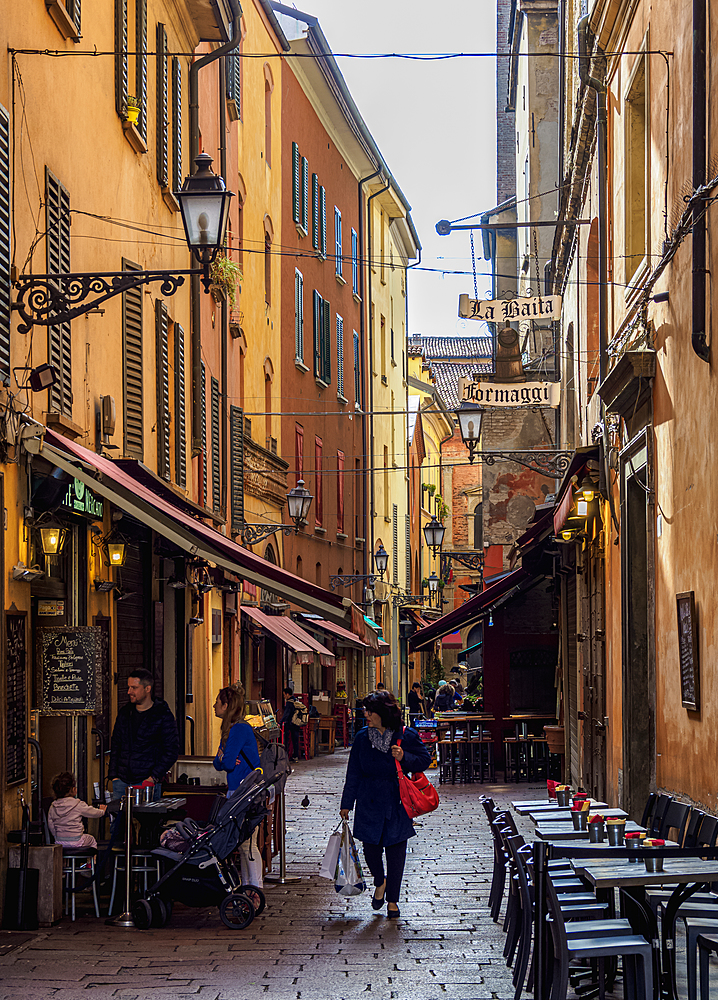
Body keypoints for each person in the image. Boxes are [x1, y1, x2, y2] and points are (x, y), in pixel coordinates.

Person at [340, 690, 431, 918]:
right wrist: (346, 804)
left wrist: (404, 758)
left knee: (396, 851)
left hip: (396, 799)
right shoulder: (362, 738)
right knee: (370, 850)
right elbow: (354, 773)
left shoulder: (405, 735)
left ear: (382, 713)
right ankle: (380, 881)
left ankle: (393, 900)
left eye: (369, 711)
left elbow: (425, 759)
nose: (366, 714)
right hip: (368, 799)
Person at [212, 684, 263, 888]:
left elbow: (226, 762)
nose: (214, 705)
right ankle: (249, 887)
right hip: (239, 791)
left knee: (248, 844)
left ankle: (255, 888)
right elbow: (218, 763)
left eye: (217, 702)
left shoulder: (239, 729)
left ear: (226, 705)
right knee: (243, 844)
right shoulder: (231, 730)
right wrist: (226, 760)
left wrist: (226, 760)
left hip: (245, 793)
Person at [108, 669, 179, 804]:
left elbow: (172, 750)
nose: (129, 692)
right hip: (122, 781)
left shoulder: (163, 715)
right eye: (128, 687)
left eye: (134, 688)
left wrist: (154, 777)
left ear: (147, 689)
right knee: (119, 823)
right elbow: (116, 744)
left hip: (146, 782)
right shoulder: (125, 713)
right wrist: (114, 776)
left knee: (147, 822)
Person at [48, 771, 106, 849]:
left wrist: (56, 836)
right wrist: (101, 811)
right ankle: (91, 861)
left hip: (59, 841)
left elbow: (51, 824)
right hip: (77, 840)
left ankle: (65, 861)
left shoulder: (53, 806)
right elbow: (92, 812)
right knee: (92, 840)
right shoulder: (77, 804)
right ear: (73, 789)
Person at [280, 686, 301, 762]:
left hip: (291, 723)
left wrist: (280, 722)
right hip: (297, 723)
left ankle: (287, 755)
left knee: (287, 739)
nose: (284, 696)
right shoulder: (296, 700)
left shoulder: (289, 703)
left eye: (284, 695)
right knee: (295, 740)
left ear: (288, 694)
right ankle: (295, 756)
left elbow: (286, 714)